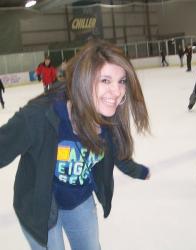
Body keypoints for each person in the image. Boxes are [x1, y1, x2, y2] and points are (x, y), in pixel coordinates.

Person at [0, 39, 150, 250]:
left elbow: (117, 154)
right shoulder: (39, 117)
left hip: (78, 198)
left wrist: (139, 171)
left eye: (121, 81)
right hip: (40, 203)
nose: (117, 92)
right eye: (105, 80)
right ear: (83, 79)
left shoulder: (108, 119)